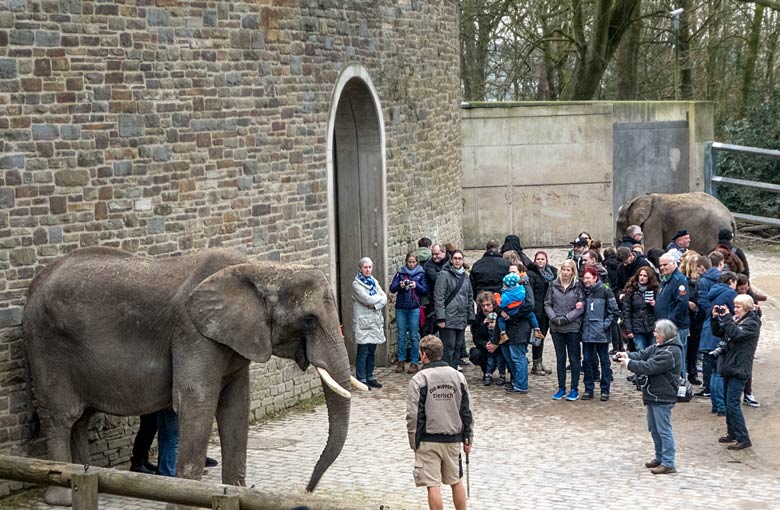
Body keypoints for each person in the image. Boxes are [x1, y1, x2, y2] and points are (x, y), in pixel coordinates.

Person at [406, 335, 473, 510]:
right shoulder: (458, 377)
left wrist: (414, 441)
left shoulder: (419, 379)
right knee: (456, 481)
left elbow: (413, 415)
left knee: (432, 485)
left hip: (428, 440)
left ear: (423, 355)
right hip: (452, 439)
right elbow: (466, 410)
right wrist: (468, 437)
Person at [615, 319, 683, 475]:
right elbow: (643, 354)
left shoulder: (671, 352)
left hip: (663, 395)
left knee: (663, 430)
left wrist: (628, 363)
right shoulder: (661, 347)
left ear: (665, 334)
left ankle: (668, 462)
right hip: (653, 393)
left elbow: (649, 366)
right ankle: (660, 458)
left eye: (657, 332)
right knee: (654, 429)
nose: (654, 334)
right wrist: (626, 355)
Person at [711, 295, 760, 450]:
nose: (735, 309)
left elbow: (736, 335)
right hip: (729, 365)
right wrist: (715, 318)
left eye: (738, 306)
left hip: (740, 367)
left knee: (733, 404)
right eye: (735, 306)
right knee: (727, 401)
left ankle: (743, 438)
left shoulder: (752, 323)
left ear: (746, 308)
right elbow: (720, 333)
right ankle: (732, 433)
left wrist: (726, 319)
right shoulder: (736, 320)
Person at [544, 259, 585, 401]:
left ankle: (574, 388)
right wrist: (554, 318)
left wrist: (567, 318)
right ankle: (561, 387)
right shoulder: (553, 285)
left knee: (574, 358)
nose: (566, 273)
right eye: (564, 269)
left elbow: (580, 307)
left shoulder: (578, 286)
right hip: (556, 327)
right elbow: (547, 303)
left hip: (572, 327)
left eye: (569, 270)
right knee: (560, 358)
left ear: (573, 272)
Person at [700, 271, 738, 415]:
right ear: (730, 281)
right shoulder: (729, 294)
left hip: (707, 334)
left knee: (714, 373)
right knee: (719, 373)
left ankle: (716, 404)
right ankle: (722, 406)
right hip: (717, 336)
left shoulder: (713, 292)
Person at [580, 267, 620, 401]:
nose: (586, 281)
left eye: (588, 278)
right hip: (587, 332)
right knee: (587, 361)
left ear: (595, 278)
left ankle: (605, 389)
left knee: (604, 362)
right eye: (584, 278)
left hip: (601, 334)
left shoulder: (605, 292)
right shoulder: (583, 292)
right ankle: (588, 388)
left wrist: (604, 325)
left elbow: (614, 312)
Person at [435, 250, 475, 369]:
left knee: (458, 346)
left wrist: (470, 315)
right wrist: (441, 317)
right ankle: (447, 370)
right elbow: (439, 297)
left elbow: (469, 296)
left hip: (461, 317)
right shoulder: (444, 275)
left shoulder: (465, 277)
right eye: (455, 258)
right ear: (451, 260)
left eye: (460, 258)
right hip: (448, 317)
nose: (457, 261)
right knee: (449, 346)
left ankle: (454, 368)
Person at [390, 252, 429, 375]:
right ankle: (401, 361)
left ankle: (414, 361)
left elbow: (425, 290)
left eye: (413, 262)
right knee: (401, 335)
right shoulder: (401, 273)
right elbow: (392, 288)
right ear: (406, 262)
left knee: (414, 335)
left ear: (416, 262)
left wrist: (415, 285)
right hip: (401, 307)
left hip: (414, 307)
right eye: (409, 262)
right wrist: (400, 285)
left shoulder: (420, 273)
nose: (411, 264)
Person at [352, 256, 388, 389]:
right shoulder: (356, 284)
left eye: (369, 267)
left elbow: (384, 297)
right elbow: (366, 298)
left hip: (374, 321)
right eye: (365, 267)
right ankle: (361, 377)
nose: (368, 270)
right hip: (363, 322)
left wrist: (375, 304)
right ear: (360, 269)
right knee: (363, 351)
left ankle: (370, 375)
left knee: (372, 350)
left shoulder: (373, 281)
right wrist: (376, 300)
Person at [654, 253, 690, 381]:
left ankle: (681, 386)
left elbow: (682, 303)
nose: (662, 267)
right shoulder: (665, 279)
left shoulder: (678, 280)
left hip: (676, 327)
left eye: (665, 265)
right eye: (661, 265)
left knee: (678, 356)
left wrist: (670, 322)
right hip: (664, 327)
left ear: (674, 264)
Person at [694, 251, 723, 398]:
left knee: (707, 355)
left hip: (708, 321)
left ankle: (708, 387)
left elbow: (703, 303)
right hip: (722, 320)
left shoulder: (704, 281)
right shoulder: (722, 278)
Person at [527, 251, 558, 376]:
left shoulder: (552, 273)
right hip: (537, 310)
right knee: (537, 336)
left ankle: (538, 361)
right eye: (538, 259)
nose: (540, 261)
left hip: (548, 309)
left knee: (542, 336)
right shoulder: (532, 274)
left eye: (542, 259)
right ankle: (536, 363)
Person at [469, 291, 507, 386]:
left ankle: (506, 374)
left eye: (488, 305)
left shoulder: (500, 316)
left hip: (500, 345)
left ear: (493, 304)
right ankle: (486, 371)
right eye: (483, 306)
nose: (486, 308)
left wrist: (496, 344)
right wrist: (487, 344)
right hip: (486, 346)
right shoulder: (478, 319)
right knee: (476, 354)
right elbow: (477, 338)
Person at [495, 272, 543, 344]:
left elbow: (501, 304)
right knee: (532, 316)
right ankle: (537, 329)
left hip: (510, 311)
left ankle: (503, 334)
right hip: (520, 307)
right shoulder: (521, 289)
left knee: (501, 320)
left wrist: (497, 297)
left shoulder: (506, 296)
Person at [736, 275, 761, 407]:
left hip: (749, 335)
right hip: (737, 333)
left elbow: (759, 316)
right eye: (741, 288)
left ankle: (748, 392)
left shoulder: (750, 297)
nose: (744, 291)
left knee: (747, 362)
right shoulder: (735, 299)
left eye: (746, 288)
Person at [621, 267, 659, 351]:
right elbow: (626, 312)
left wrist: (655, 305)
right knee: (641, 351)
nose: (642, 277)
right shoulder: (630, 290)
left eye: (645, 276)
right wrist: (629, 330)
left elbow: (660, 311)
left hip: (651, 326)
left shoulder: (655, 290)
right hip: (637, 327)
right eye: (640, 275)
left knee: (652, 352)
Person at [423, 244, 449, 334]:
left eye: (437, 254)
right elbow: (436, 279)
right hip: (434, 302)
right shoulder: (429, 265)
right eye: (433, 254)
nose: (434, 256)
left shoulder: (450, 262)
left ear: (444, 252)